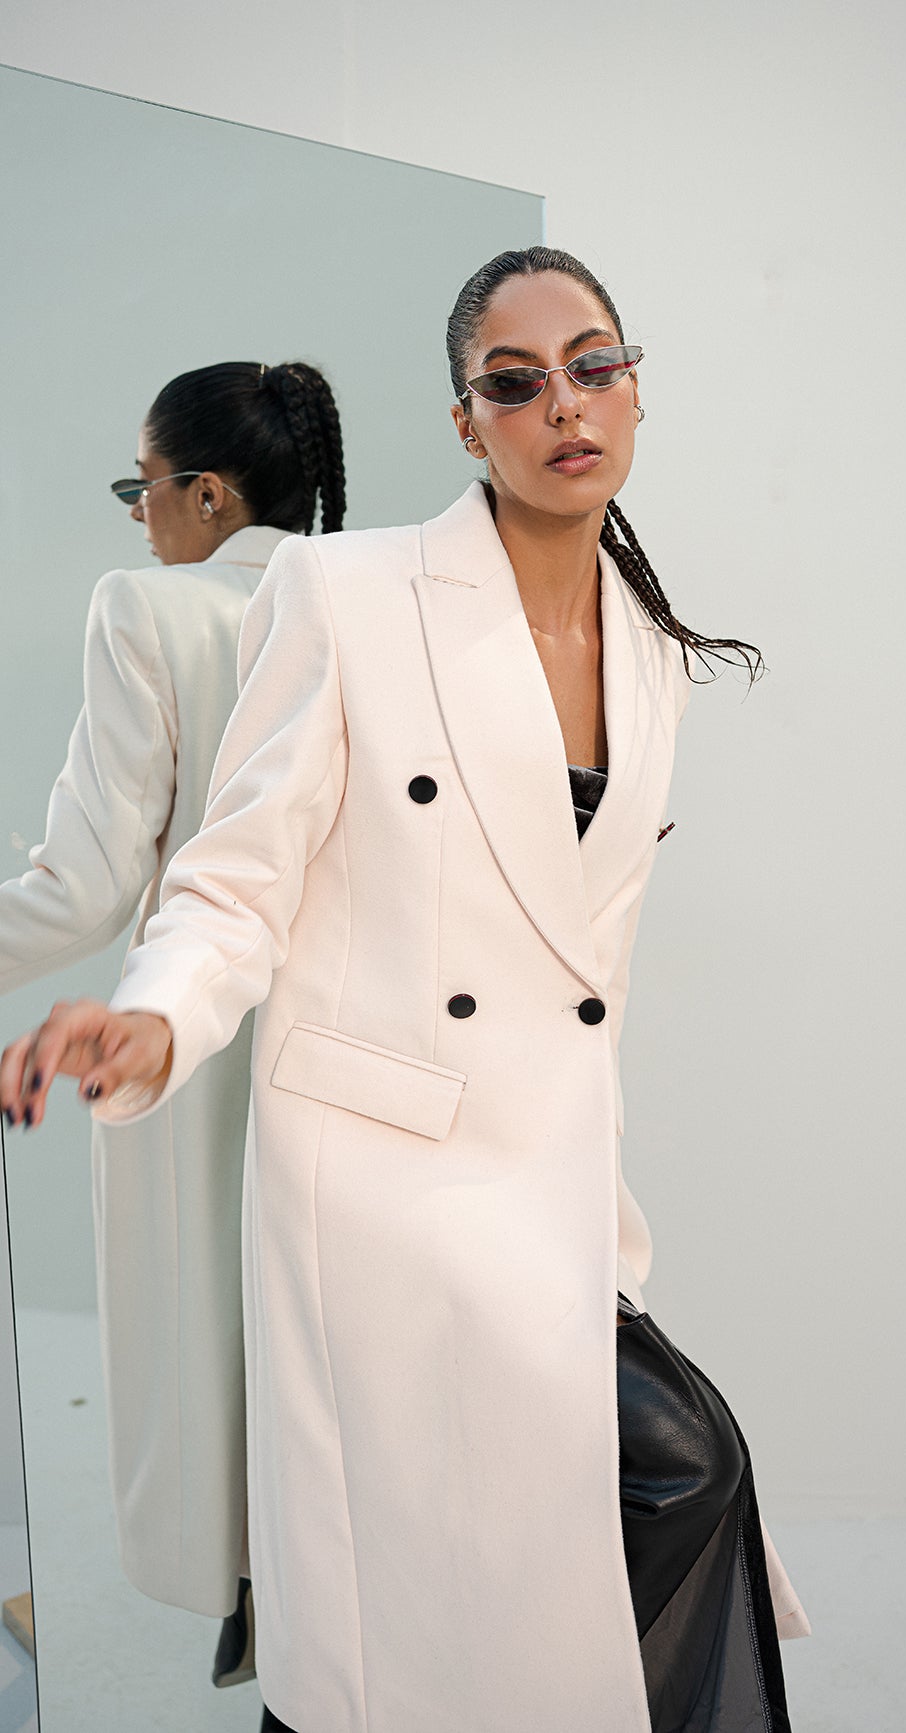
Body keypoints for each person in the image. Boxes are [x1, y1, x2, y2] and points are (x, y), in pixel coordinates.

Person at [1, 250, 807, 1733]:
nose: (563, 403)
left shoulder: (653, 654)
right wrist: (160, 1013)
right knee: (404, 1608)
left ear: (635, 387)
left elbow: (587, 972)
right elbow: (238, 872)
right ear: (466, 421)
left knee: (597, 1531)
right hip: (382, 1180)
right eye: (515, 380)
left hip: (548, 1181)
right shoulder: (348, 590)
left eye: (593, 364)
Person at [0, 360, 346, 1683]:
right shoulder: (360, 602)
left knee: (195, 1336)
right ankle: (313, 1615)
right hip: (338, 1031)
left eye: (141, 487)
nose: (137, 515)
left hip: (183, 1030)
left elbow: (85, 885)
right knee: (320, 1334)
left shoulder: (150, 607)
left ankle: (238, 1594)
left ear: (207, 493)